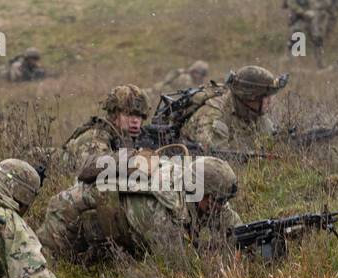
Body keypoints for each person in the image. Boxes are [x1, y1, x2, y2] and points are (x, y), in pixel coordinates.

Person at [37, 156, 241, 265]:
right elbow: (180, 265)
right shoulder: (159, 207)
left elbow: (231, 224)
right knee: (50, 269)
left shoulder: (198, 188)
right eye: (217, 200)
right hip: (67, 219)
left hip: (110, 230)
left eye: (224, 201)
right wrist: (219, 254)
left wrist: (250, 239)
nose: (221, 206)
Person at [179, 65, 286, 151]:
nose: (269, 101)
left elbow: (271, 142)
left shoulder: (254, 112)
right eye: (265, 97)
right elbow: (217, 157)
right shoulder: (215, 115)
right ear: (250, 98)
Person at [61, 85, 150, 181]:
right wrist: (132, 158)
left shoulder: (137, 137)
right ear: (114, 114)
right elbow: (89, 166)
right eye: (128, 114)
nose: (135, 120)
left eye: (139, 115)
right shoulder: (96, 134)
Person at [283, 0, 322, 64]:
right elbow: (291, 3)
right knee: (297, 39)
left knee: (317, 39)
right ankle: (293, 64)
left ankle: (319, 63)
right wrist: (303, 12)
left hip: (309, 16)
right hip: (298, 17)